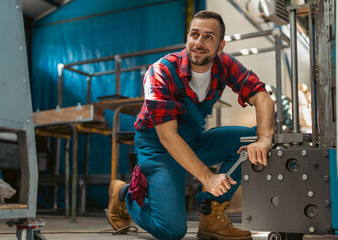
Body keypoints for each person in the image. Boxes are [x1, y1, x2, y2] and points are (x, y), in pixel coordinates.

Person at [107, 10, 274, 240]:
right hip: (158, 148)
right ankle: (124, 195)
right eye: (194, 34)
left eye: (208, 36)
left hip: (193, 140)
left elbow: (262, 97)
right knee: (172, 231)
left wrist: (264, 139)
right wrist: (208, 177)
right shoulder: (161, 72)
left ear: (221, 45)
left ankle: (212, 215)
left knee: (252, 140)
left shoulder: (224, 65)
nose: (199, 42)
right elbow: (168, 137)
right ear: (187, 37)